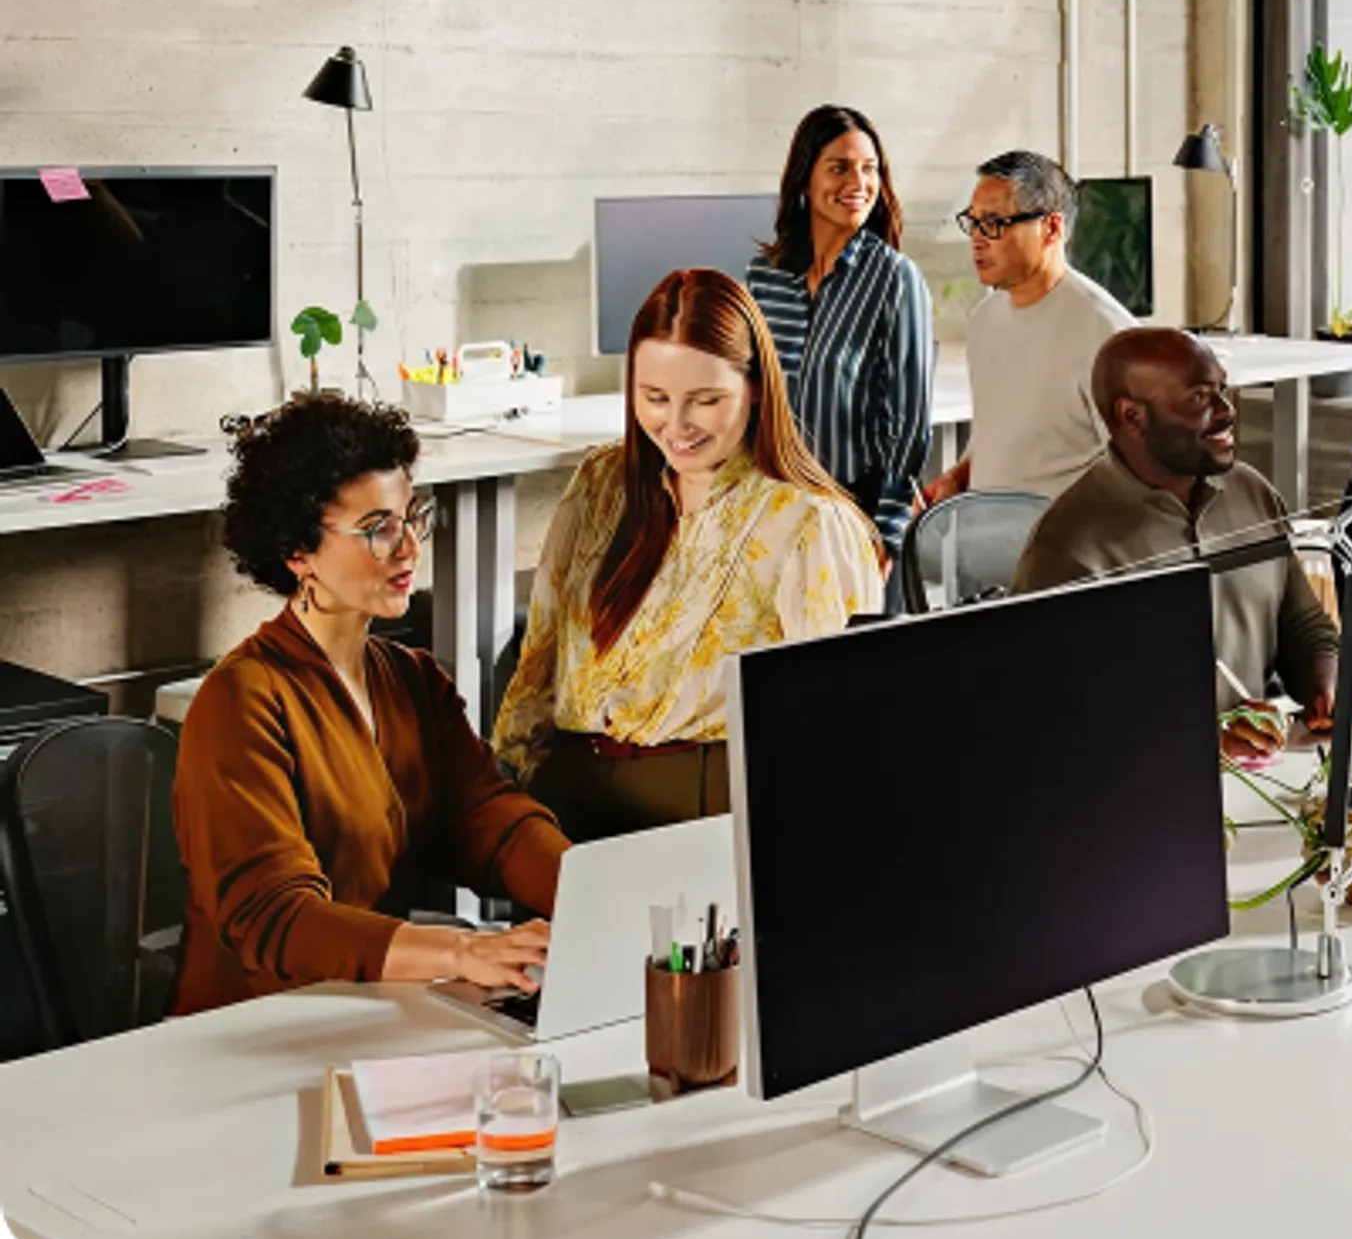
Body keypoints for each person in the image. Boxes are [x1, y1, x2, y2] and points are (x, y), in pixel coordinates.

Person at [171, 394, 567, 1016]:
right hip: (256, 1030)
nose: (409, 548)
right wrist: (462, 952)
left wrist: (590, 891)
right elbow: (278, 918)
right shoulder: (241, 702)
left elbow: (488, 820)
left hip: (370, 1013)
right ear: (297, 551)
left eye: (413, 517)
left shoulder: (413, 682)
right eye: (378, 529)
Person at [493, 268, 883, 839]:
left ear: (755, 387)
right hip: (570, 790)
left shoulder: (809, 525)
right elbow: (541, 657)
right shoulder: (603, 483)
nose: (675, 427)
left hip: (700, 806)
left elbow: (834, 730)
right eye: (654, 398)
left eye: (705, 401)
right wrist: (507, 787)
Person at [1011, 328, 1338, 761]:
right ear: (1132, 417)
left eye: (1222, 389)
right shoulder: (1067, 546)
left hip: (1265, 778)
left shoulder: (1251, 492)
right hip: (1141, 797)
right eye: (1200, 399)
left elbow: (1303, 627)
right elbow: (1049, 714)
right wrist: (1202, 742)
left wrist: (1324, 689)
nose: (1226, 412)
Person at [746, 105, 933, 563]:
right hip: (772, 512)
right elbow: (748, 398)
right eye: (839, 168)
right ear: (804, 179)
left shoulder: (895, 280)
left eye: (869, 170)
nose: (858, 183)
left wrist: (885, 536)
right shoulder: (763, 277)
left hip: (855, 517)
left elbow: (908, 429)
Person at [922, 150, 1135, 506]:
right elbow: (1001, 439)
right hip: (987, 549)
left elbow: (1134, 476)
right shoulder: (984, 320)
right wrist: (958, 478)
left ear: (1051, 228)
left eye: (993, 223)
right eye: (973, 222)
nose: (977, 238)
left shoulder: (1109, 336)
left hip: (1064, 553)